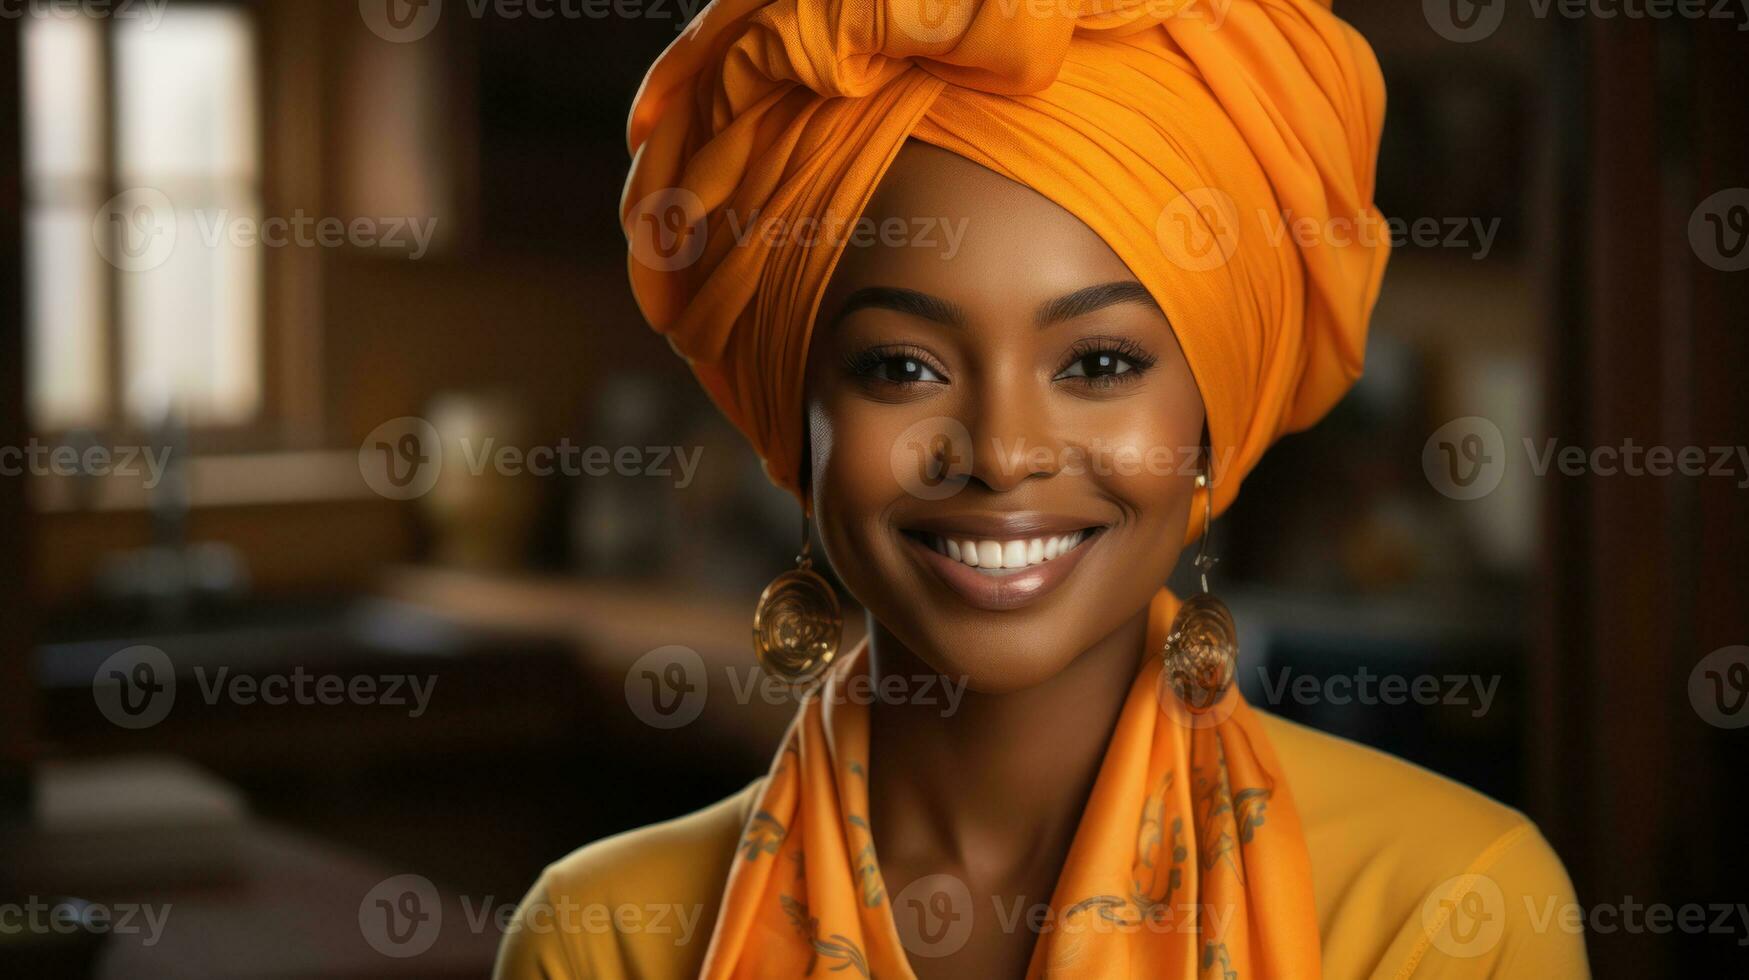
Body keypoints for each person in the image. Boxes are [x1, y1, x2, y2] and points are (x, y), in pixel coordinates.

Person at [497, 0, 1589, 975]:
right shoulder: (608, 941)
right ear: (799, 424)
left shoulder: (1446, 911)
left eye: (1100, 364)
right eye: (901, 365)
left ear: (1214, 426)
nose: (1004, 450)